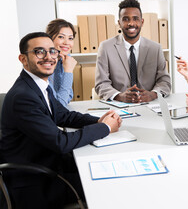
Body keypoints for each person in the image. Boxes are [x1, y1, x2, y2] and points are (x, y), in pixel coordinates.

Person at [0, 32, 122, 208]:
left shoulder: (39, 84)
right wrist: (105, 128)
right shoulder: (23, 96)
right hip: (37, 182)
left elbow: (64, 115)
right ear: (23, 59)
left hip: (49, 164)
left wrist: (98, 121)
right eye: (39, 52)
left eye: (52, 51)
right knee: (107, 184)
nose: (48, 57)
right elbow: (60, 142)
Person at [95, 0, 171, 103]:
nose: (131, 23)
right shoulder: (106, 47)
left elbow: (165, 81)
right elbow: (101, 84)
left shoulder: (155, 48)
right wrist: (120, 96)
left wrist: (152, 95)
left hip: (150, 105)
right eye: (126, 19)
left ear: (142, 21)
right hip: (119, 106)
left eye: (135, 18)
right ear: (119, 23)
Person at [45, 19, 78, 106]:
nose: (66, 42)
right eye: (61, 37)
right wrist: (68, 71)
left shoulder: (64, 59)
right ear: (50, 38)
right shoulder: (44, 63)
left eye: (70, 38)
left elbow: (68, 97)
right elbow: (59, 105)